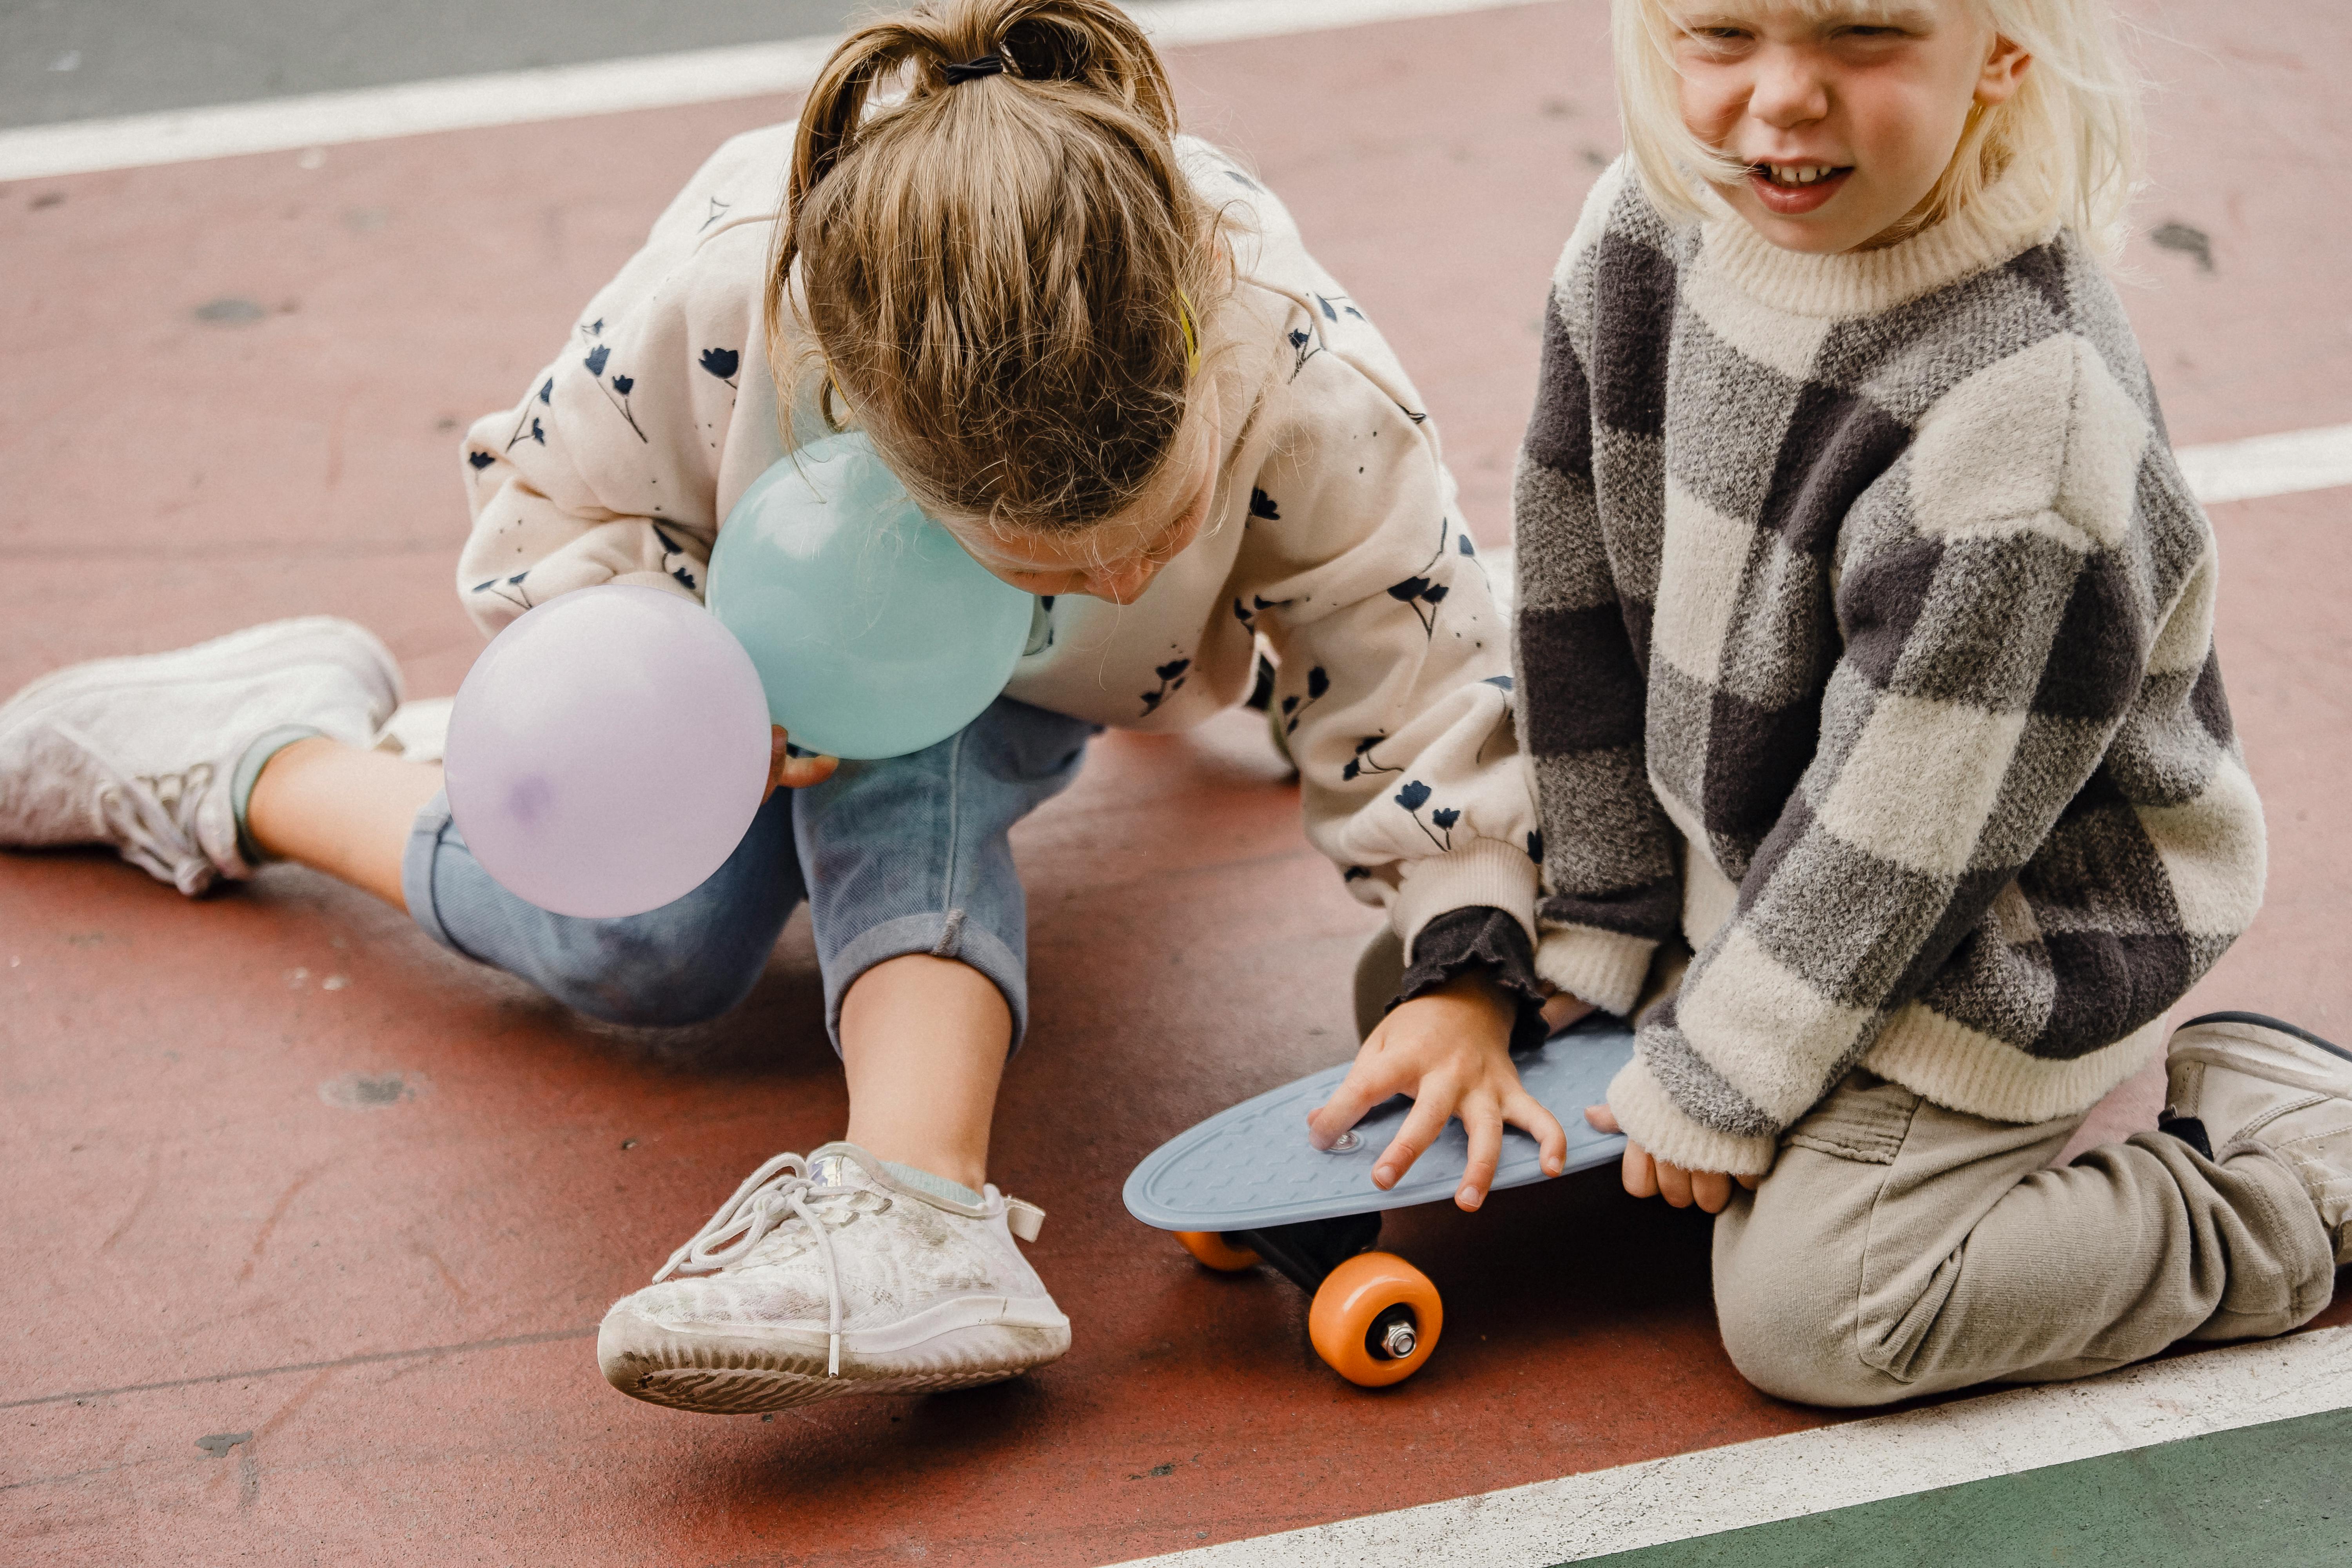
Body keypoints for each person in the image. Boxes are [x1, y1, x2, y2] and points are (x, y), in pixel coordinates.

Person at [0, 0, 1562, 1416]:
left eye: (1152, 538)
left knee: (918, 747)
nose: (1109, 575)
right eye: (1045, 565)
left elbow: (1409, 649)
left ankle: (914, 1198)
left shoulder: (1290, 349)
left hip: (1058, 691)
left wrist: (1468, 959)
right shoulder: (733, 283)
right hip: (768, 646)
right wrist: (685, 695)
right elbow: (549, 515)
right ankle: (254, 751)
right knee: (641, 948)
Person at [1489, 0, 2348, 1405]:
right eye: (1721, 32)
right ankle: (1712, 1021)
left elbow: (1909, 835)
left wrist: (1719, 1078)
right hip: (1760, 867)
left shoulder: (2027, 416)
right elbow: (1572, 597)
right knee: (1466, 1021)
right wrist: (1599, 920)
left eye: (1864, 36)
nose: (1783, 98)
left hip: (1987, 927)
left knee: (1822, 1314)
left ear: (2003, 50)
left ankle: (2286, 1183)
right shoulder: (1649, 230)